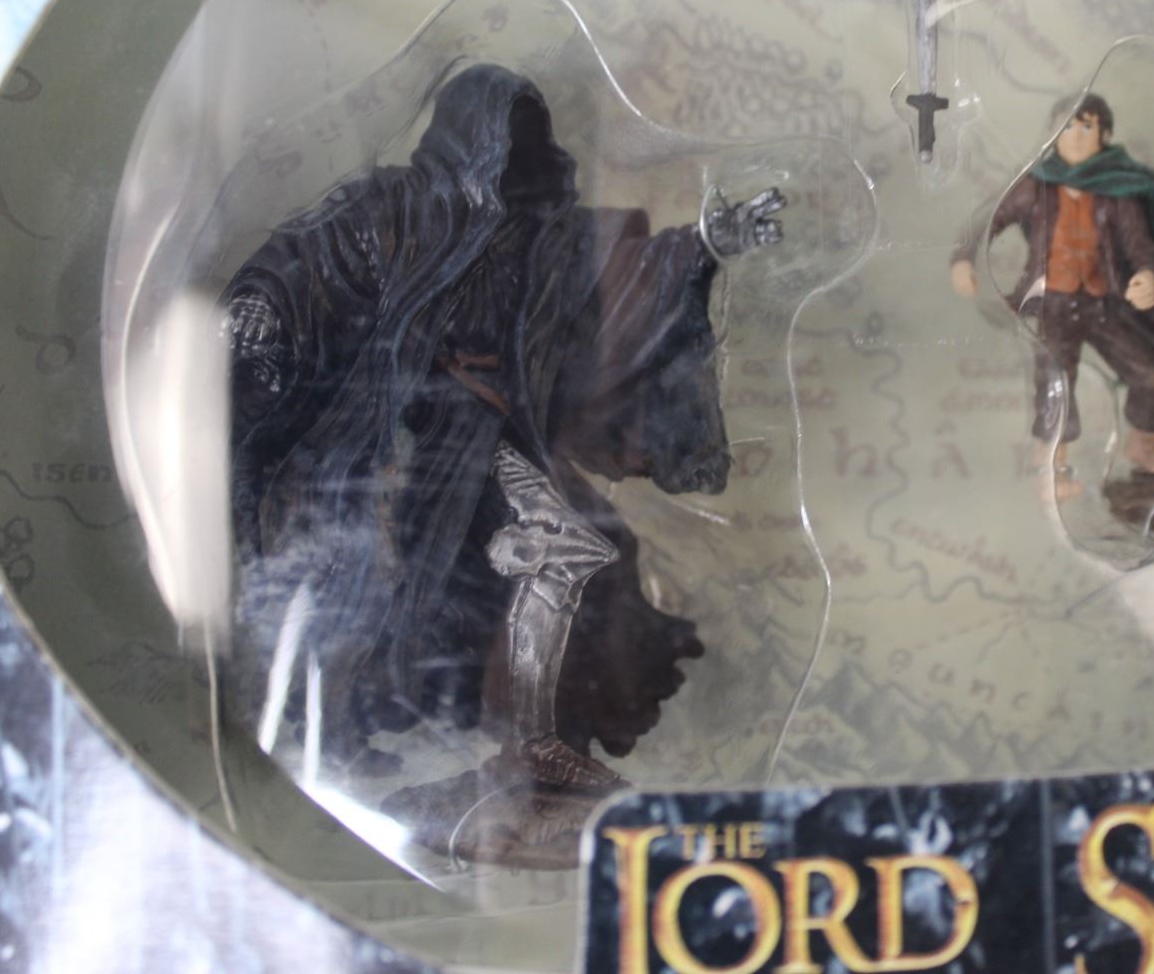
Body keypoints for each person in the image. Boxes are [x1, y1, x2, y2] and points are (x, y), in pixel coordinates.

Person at [221, 63, 782, 792]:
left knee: (580, 547)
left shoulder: (539, 237)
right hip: (391, 431)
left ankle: (537, 737)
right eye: (504, 139)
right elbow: (311, 258)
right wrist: (261, 305)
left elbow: (627, 274)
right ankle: (338, 723)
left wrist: (709, 240)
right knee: (366, 573)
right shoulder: (395, 207)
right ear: (467, 136)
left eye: (526, 141)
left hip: (487, 435)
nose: (514, 158)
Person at [950, 93, 1154, 501]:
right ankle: (1050, 467)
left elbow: (1139, 245)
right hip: (1054, 305)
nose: (1074, 136)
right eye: (1066, 127)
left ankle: (1146, 447)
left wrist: (1146, 277)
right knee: (1055, 385)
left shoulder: (1118, 191)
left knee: (1150, 375)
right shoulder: (1037, 186)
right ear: (1053, 134)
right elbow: (987, 220)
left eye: (1085, 127)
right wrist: (962, 260)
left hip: (1105, 303)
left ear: (1104, 135)